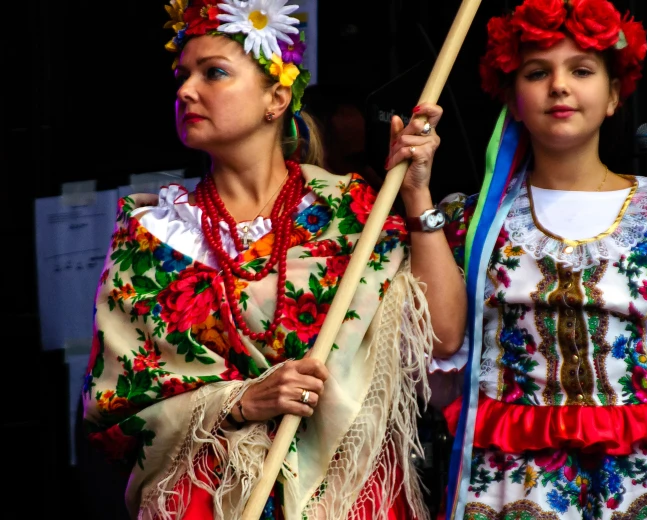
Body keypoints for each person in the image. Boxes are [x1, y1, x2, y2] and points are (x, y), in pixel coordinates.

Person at [391, 0, 647, 518]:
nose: (560, 86)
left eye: (582, 70)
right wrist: (417, 195)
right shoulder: (471, 224)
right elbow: (438, 358)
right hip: (510, 491)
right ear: (512, 98)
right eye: (537, 72)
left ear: (614, 96)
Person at [81, 1, 455, 518]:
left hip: (347, 496)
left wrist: (416, 195)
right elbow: (114, 414)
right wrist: (239, 402)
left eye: (213, 73)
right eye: (182, 76)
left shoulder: (349, 211)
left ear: (276, 98)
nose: (186, 91)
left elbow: (443, 337)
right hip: (207, 499)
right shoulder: (150, 234)